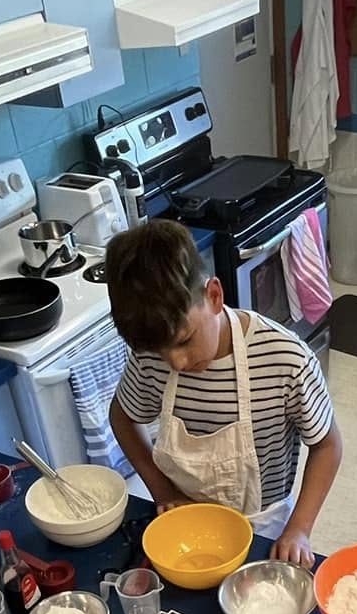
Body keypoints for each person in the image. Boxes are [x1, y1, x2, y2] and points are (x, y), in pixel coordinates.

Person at [105, 218, 343, 568]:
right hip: (185, 523)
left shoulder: (285, 360)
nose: (176, 362)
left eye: (184, 341)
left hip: (264, 526)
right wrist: (161, 489)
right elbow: (122, 417)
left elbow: (327, 445)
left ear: (214, 296)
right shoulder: (149, 358)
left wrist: (299, 530)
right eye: (161, 352)